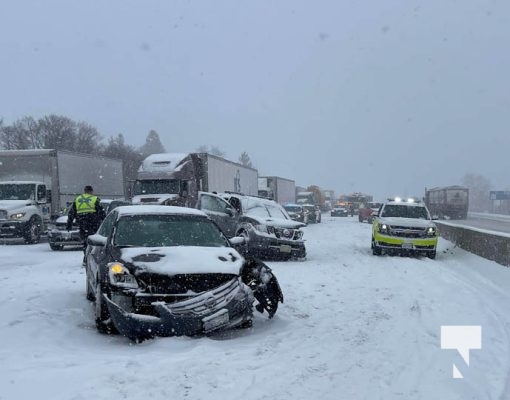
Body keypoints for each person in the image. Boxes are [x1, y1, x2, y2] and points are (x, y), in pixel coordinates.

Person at [67, 185, 106, 264]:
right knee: (94, 242)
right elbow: (101, 212)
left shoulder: (78, 199)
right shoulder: (95, 199)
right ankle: (93, 259)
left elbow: (71, 213)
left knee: (85, 242)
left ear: (84, 191)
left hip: (82, 224)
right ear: (91, 191)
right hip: (93, 223)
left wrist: (69, 224)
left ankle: (86, 259)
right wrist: (104, 222)